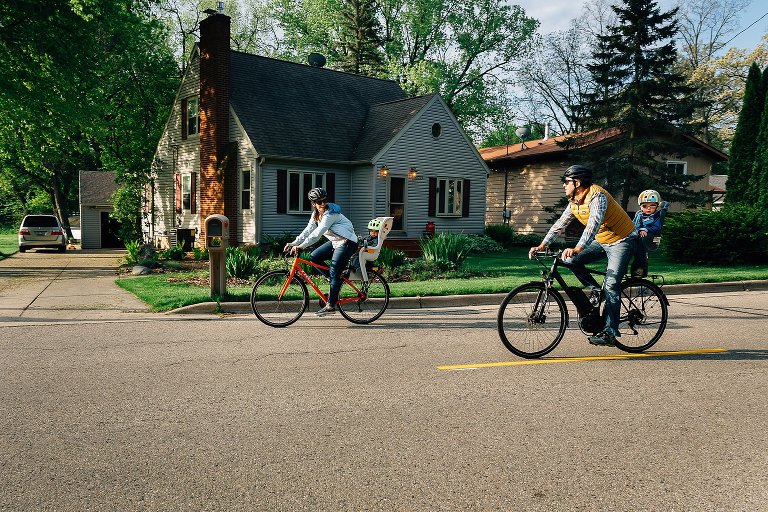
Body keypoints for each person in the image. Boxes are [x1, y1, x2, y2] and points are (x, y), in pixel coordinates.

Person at [528, 165, 639, 347]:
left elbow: (593, 225)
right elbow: (560, 224)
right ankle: (595, 289)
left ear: (577, 182)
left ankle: (610, 332)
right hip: (603, 240)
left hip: (623, 240)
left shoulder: (597, 196)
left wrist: (579, 247)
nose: (564, 185)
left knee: (611, 285)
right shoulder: (575, 201)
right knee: (570, 260)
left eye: (566, 182)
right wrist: (542, 244)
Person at [284, 187, 358, 316]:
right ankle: (335, 281)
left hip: (347, 242)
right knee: (314, 257)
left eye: (324, 200)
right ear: (313, 203)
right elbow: (308, 230)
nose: (323, 204)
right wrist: (294, 243)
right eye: (319, 202)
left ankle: (331, 305)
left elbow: (317, 234)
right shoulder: (316, 214)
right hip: (336, 241)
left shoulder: (331, 213)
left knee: (335, 271)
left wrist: (301, 247)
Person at [630, 190, 670, 278]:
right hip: (636, 236)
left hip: (650, 239)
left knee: (641, 247)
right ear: (640, 206)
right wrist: (639, 229)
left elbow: (657, 228)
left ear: (657, 206)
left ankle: (640, 270)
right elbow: (633, 225)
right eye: (645, 206)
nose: (648, 208)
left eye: (652, 205)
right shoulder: (639, 214)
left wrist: (646, 229)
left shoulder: (656, 216)